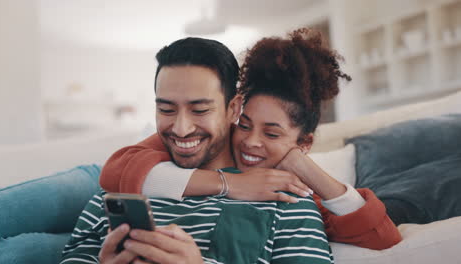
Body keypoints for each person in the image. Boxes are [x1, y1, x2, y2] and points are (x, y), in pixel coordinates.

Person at [100, 29, 402, 250]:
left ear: (304, 142)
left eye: (271, 134)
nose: (250, 142)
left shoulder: (288, 187)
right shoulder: (208, 137)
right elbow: (114, 171)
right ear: (234, 113)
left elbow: (382, 237)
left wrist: (300, 163)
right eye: (245, 125)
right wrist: (230, 183)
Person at [61, 33, 335, 264]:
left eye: (200, 109)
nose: (180, 129)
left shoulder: (286, 201)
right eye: (166, 109)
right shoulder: (119, 195)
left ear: (233, 109)